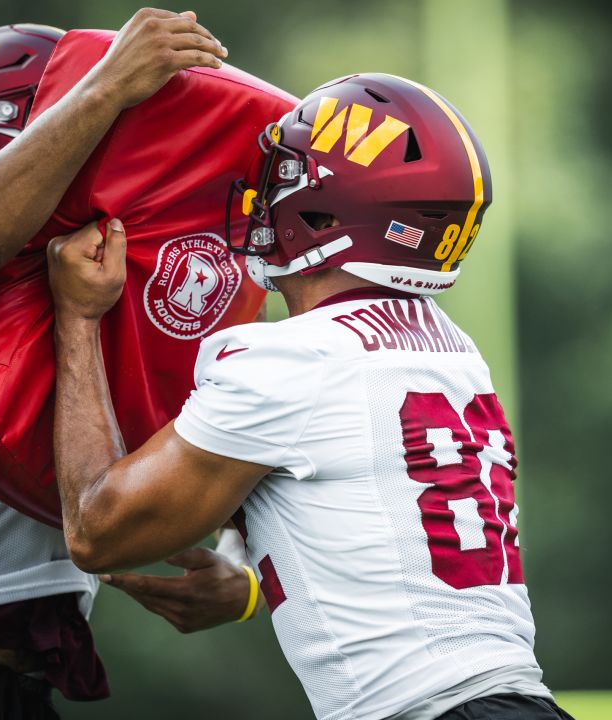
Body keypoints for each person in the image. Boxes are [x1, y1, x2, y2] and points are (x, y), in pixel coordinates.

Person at [46, 73, 573, 719]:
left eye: (281, 180)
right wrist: (243, 579)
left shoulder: (294, 360)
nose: (262, 197)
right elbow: (336, 488)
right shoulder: (450, 349)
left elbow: (99, 532)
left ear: (322, 214)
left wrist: (76, 319)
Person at [0, 14, 254, 719]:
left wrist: (241, 574)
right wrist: (102, 90)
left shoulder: (98, 263)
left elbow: (240, 423)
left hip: (22, 676)